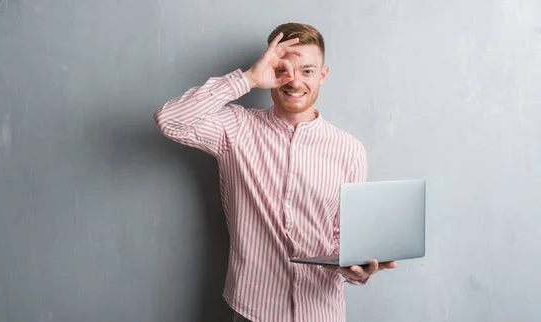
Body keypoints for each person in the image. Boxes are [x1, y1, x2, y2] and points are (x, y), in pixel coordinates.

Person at [154, 22, 396, 322]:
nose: (295, 82)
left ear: (323, 75)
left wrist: (356, 271)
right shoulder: (236, 129)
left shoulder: (349, 149)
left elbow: (343, 239)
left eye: (307, 71)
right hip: (254, 309)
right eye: (283, 70)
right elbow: (170, 120)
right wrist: (248, 79)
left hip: (321, 311)